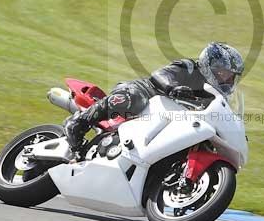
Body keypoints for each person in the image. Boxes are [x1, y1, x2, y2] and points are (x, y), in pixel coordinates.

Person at [63, 42, 244, 156]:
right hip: (147, 94)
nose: (225, 79)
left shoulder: (214, 95)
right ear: (209, 65)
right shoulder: (189, 67)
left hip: (166, 119)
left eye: (230, 76)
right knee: (133, 98)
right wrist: (172, 87)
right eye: (222, 73)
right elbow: (159, 75)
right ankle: (79, 122)